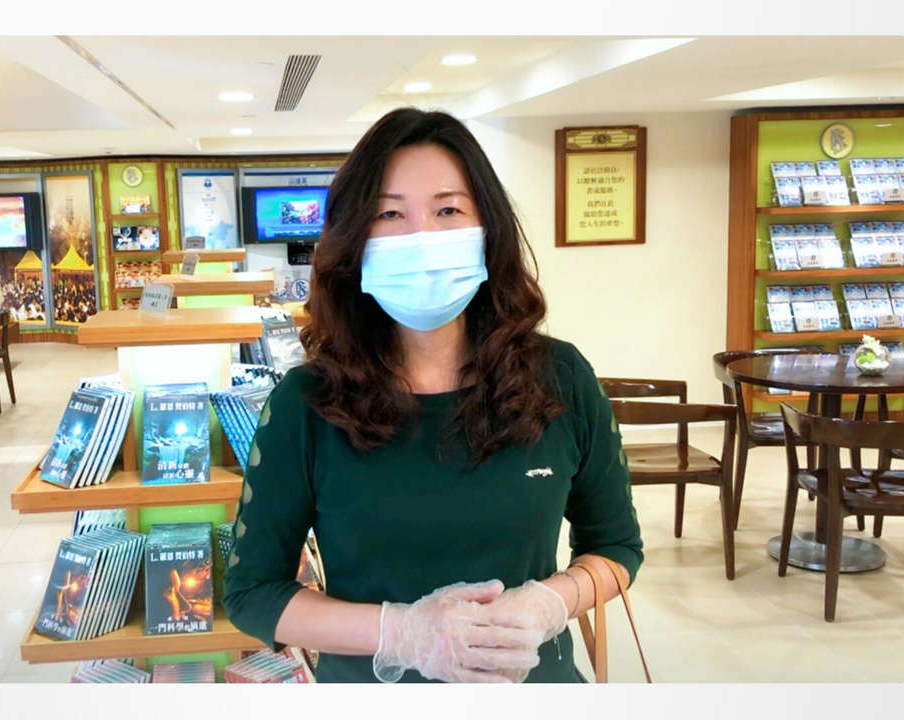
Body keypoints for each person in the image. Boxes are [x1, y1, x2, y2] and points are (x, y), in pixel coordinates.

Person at [223, 108, 643, 683]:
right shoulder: (307, 403)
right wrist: (400, 633)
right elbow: (252, 594)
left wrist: (550, 603)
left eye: (448, 210)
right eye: (389, 214)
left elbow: (617, 547)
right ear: (355, 239)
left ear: (488, 228)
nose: (421, 238)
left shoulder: (560, 377)